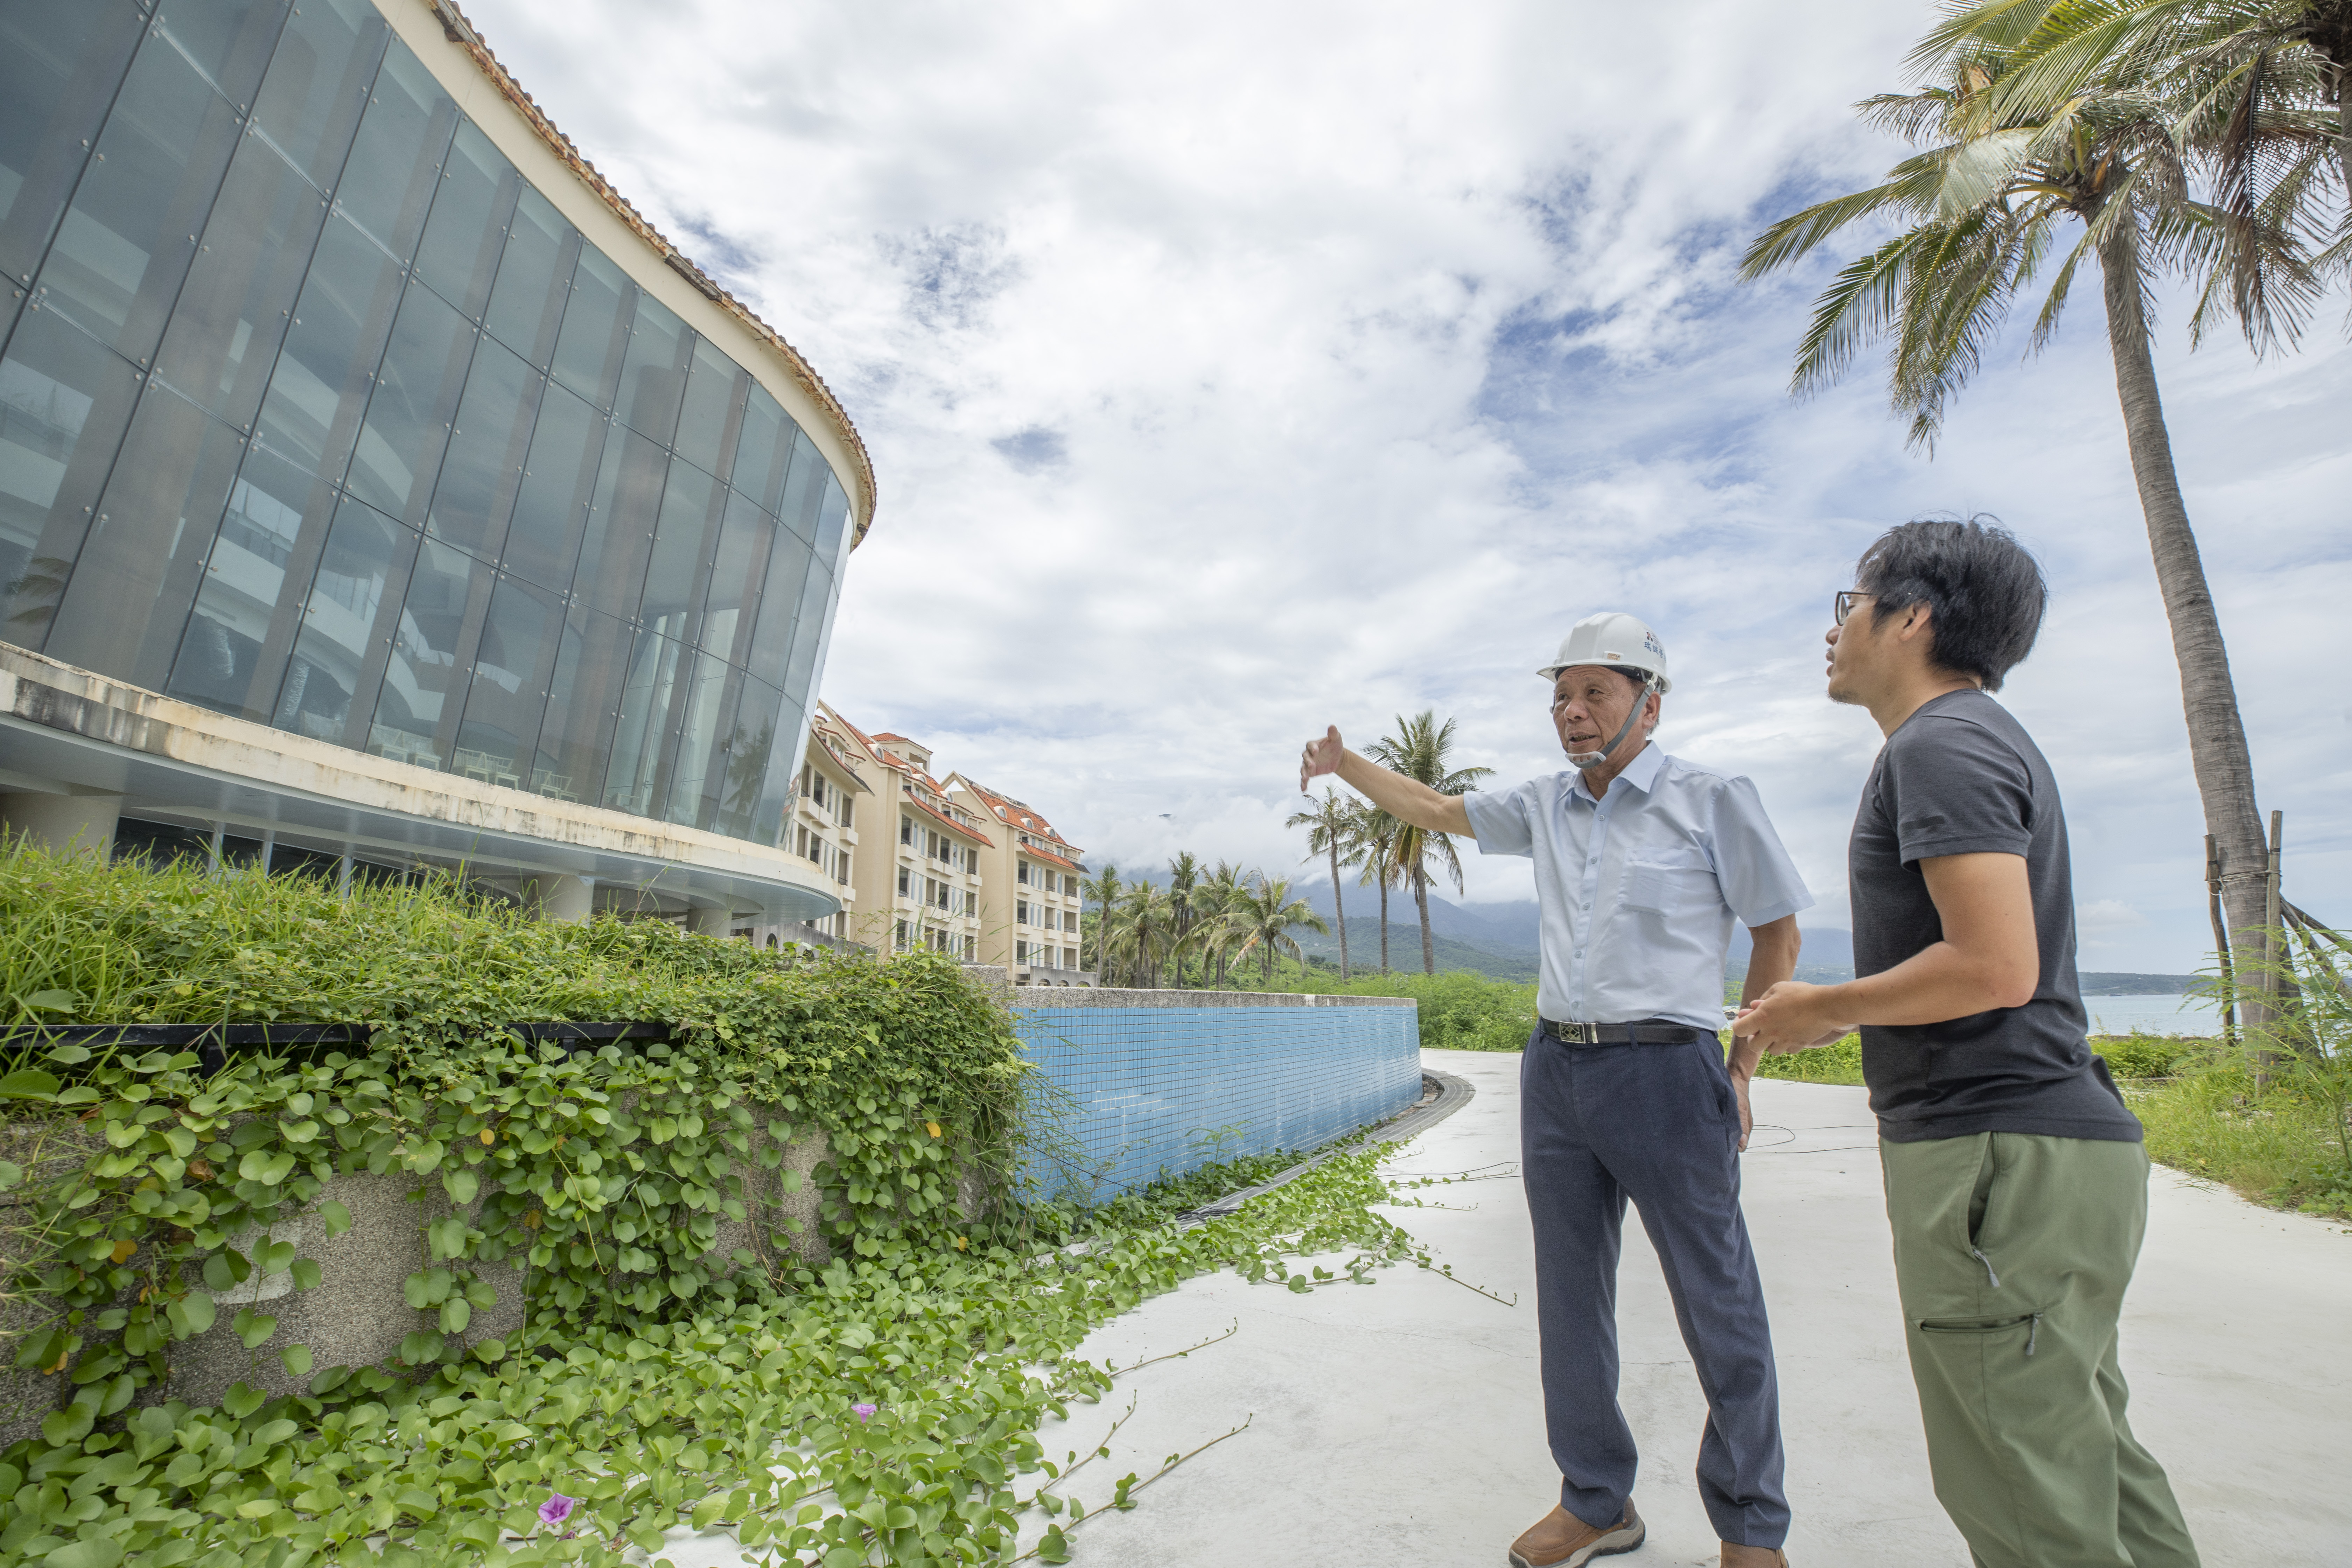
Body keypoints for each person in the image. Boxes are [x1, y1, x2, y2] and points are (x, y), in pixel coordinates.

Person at [1301, 612, 1811, 1568]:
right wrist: (1347, 764)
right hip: (1558, 1072)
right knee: (1572, 1299)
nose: (1572, 715)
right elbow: (1435, 809)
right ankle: (1595, 1499)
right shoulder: (1546, 804)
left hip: (1670, 1069)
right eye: (1561, 699)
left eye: (1595, 695)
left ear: (1649, 705)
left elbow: (1777, 934)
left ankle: (1751, 1528)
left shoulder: (1713, 798)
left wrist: (1742, 1068)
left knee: (1720, 1303)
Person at [1736, 519, 2200, 1568]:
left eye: (1848, 604)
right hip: (2051, 1149)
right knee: (2082, 1454)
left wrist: (1827, 1007)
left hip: (1997, 1156)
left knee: (2022, 1486)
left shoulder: (1942, 743)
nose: (1835, 628)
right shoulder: (1981, 739)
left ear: (1912, 617)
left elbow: (1996, 967)